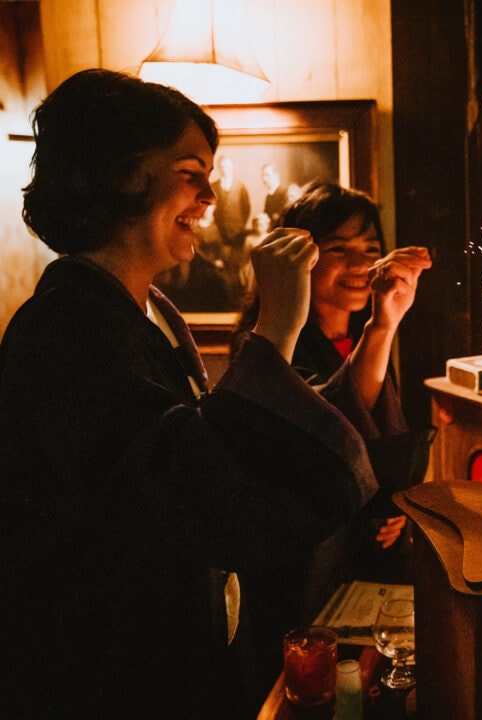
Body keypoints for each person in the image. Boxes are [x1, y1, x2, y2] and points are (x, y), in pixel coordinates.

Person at [0, 69, 382, 719]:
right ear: (123, 173)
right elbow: (195, 491)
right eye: (191, 172)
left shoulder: (148, 315)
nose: (210, 195)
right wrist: (277, 329)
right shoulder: (65, 330)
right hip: (104, 682)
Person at [233, 182, 433, 692]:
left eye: (370, 249)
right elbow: (323, 419)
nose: (360, 264)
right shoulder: (268, 342)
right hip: (301, 571)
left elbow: (375, 441)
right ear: (299, 255)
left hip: (357, 561)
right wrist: (383, 326)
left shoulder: (354, 336)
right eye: (339, 248)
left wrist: (391, 510)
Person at [261, 162, 288, 226]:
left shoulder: (285, 193)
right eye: (262, 175)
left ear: (276, 175)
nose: (264, 179)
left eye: (267, 175)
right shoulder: (269, 196)